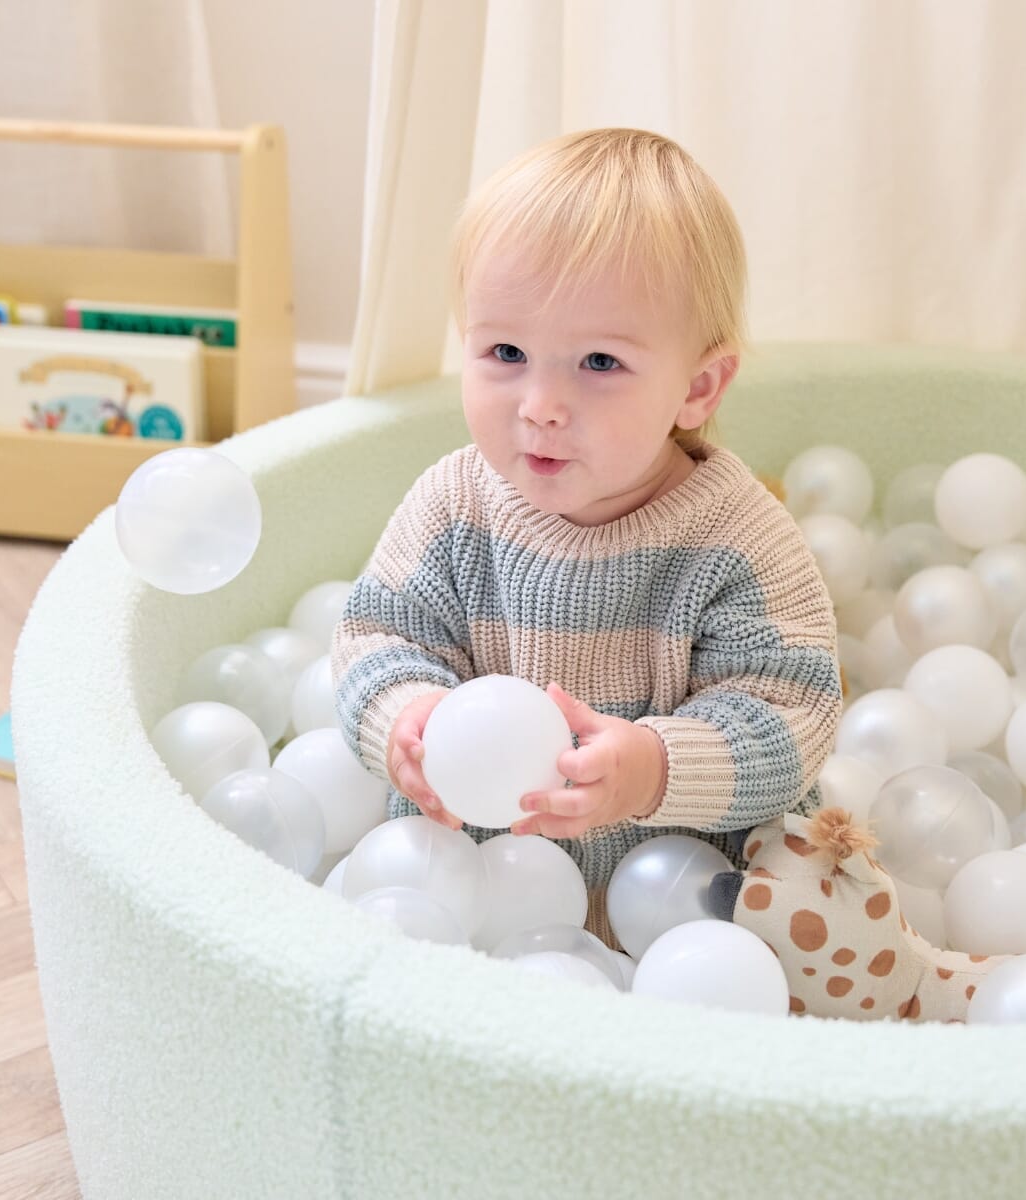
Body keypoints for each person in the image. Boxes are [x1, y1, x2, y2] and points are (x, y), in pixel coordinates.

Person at [331, 127, 841, 943]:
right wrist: (406, 716)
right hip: (471, 898)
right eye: (504, 351)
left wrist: (655, 766)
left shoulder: (737, 538)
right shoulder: (454, 503)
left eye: (598, 362)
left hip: (681, 921)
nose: (539, 403)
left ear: (697, 387)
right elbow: (375, 637)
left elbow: (795, 712)